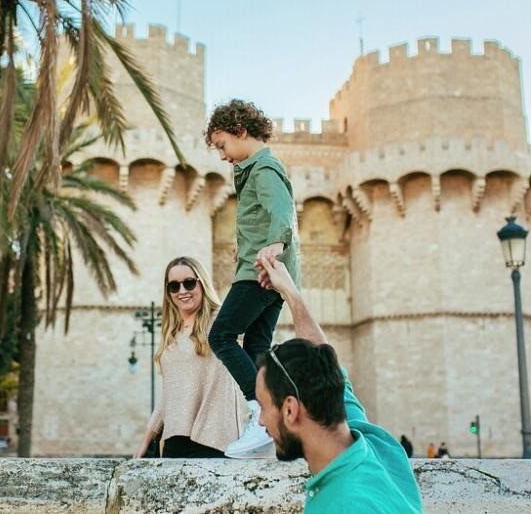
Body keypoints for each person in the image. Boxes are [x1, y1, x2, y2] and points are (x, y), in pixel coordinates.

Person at [253, 255, 421, 513]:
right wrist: (291, 294)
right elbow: (324, 363)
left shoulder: (349, 506)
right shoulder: (375, 447)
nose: (260, 421)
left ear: (290, 409)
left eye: (263, 407)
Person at [205, 99, 301, 459]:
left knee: (221, 335)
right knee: (257, 347)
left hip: (259, 272)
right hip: (270, 273)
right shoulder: (257, 169)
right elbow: (263, 215)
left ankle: (261, 412)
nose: (222, 155)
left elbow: (281, 210)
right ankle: (277, 423)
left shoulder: (263, 168)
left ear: (241, 131)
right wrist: (245, 244)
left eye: (222, 145)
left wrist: (274, 244)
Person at [133, 257, 245, 459]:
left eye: (189, 283)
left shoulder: (221, 322)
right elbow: (169, 395)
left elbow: (258, 339)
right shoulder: (172, 333)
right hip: (174, 441)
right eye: (174, 286)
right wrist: (146, 440)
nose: (182, 291)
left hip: (213, 439)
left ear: (202, 283)